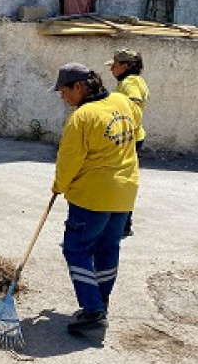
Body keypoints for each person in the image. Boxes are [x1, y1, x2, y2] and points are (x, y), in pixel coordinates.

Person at [51, 62, 141, 334]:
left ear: (78, 87)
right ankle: (100, 301)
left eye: (64, 91)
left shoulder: (82, 117)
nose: (62, 97)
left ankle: (92, 312)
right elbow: (135, 137)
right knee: (107, 248)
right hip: (124, 193)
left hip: (92, 196)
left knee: (76, 249)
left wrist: (58, 186)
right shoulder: (123, 102)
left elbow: (69, 160)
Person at [106, 49, 149, 238]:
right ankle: (123, 223)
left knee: (120, 181)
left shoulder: (130, 82)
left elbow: (134, 102)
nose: (111, 70)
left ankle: (122, 224)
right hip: (133, 137)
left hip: (128, 138)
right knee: (124, 179)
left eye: (114, 66)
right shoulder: (134, 81)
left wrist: (122, 122)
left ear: (125, 66)